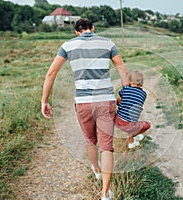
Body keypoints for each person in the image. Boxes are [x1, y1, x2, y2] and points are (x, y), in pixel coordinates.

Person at [41, 18, 128, 200]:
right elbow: (121, 66)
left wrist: (44, 100)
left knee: (90, 139)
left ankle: (96, 169)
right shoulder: (107, 43)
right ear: (92, 29)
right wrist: (124, 92)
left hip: (83, 102)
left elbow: (51, 73)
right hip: (106, 100)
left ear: (76, 31)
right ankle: (105, 193)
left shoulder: (68, 46)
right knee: (107, 147)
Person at [115, 70, 151, 149]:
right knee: (147, 125)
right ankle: (132, 139)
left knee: (128, 121)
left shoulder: (125, 89)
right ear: (142, 83)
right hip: (129, 125)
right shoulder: (143, 94)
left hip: (117, 120)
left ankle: (132, 139)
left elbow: (118, 102)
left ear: (129, 81)